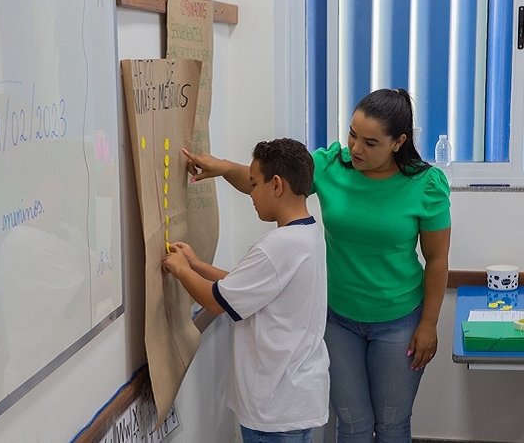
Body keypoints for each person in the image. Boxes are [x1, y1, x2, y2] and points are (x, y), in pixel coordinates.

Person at [181, 88, 451, 442]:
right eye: (352, 134)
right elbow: (269, 182)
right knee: (351, 423)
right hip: (338, 319)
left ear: (398, 142)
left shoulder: (425, 185)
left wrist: (429, 323)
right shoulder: (330, 165)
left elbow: (437, 260)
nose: (355, 148)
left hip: (399, 320)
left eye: (370, 142)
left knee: (391, 424)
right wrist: (221, 168)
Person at [162, 138, 329, 443]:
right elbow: (244, 287)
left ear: (276, 185)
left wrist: (181, 270)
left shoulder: (278, 246)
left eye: (254, 184)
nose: (250, 194)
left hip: (273, 410)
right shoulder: (308, 235)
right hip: (295, 400)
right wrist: (197, 265)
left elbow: (217, 301)